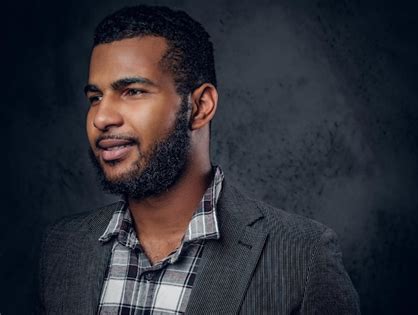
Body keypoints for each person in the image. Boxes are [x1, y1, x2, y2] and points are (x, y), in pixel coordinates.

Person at [38, 5, 360, 314]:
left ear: (200, 106)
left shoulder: (302, 258)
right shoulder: (63, 248)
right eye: (95, 98)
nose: (101, 118)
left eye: (133, 91)